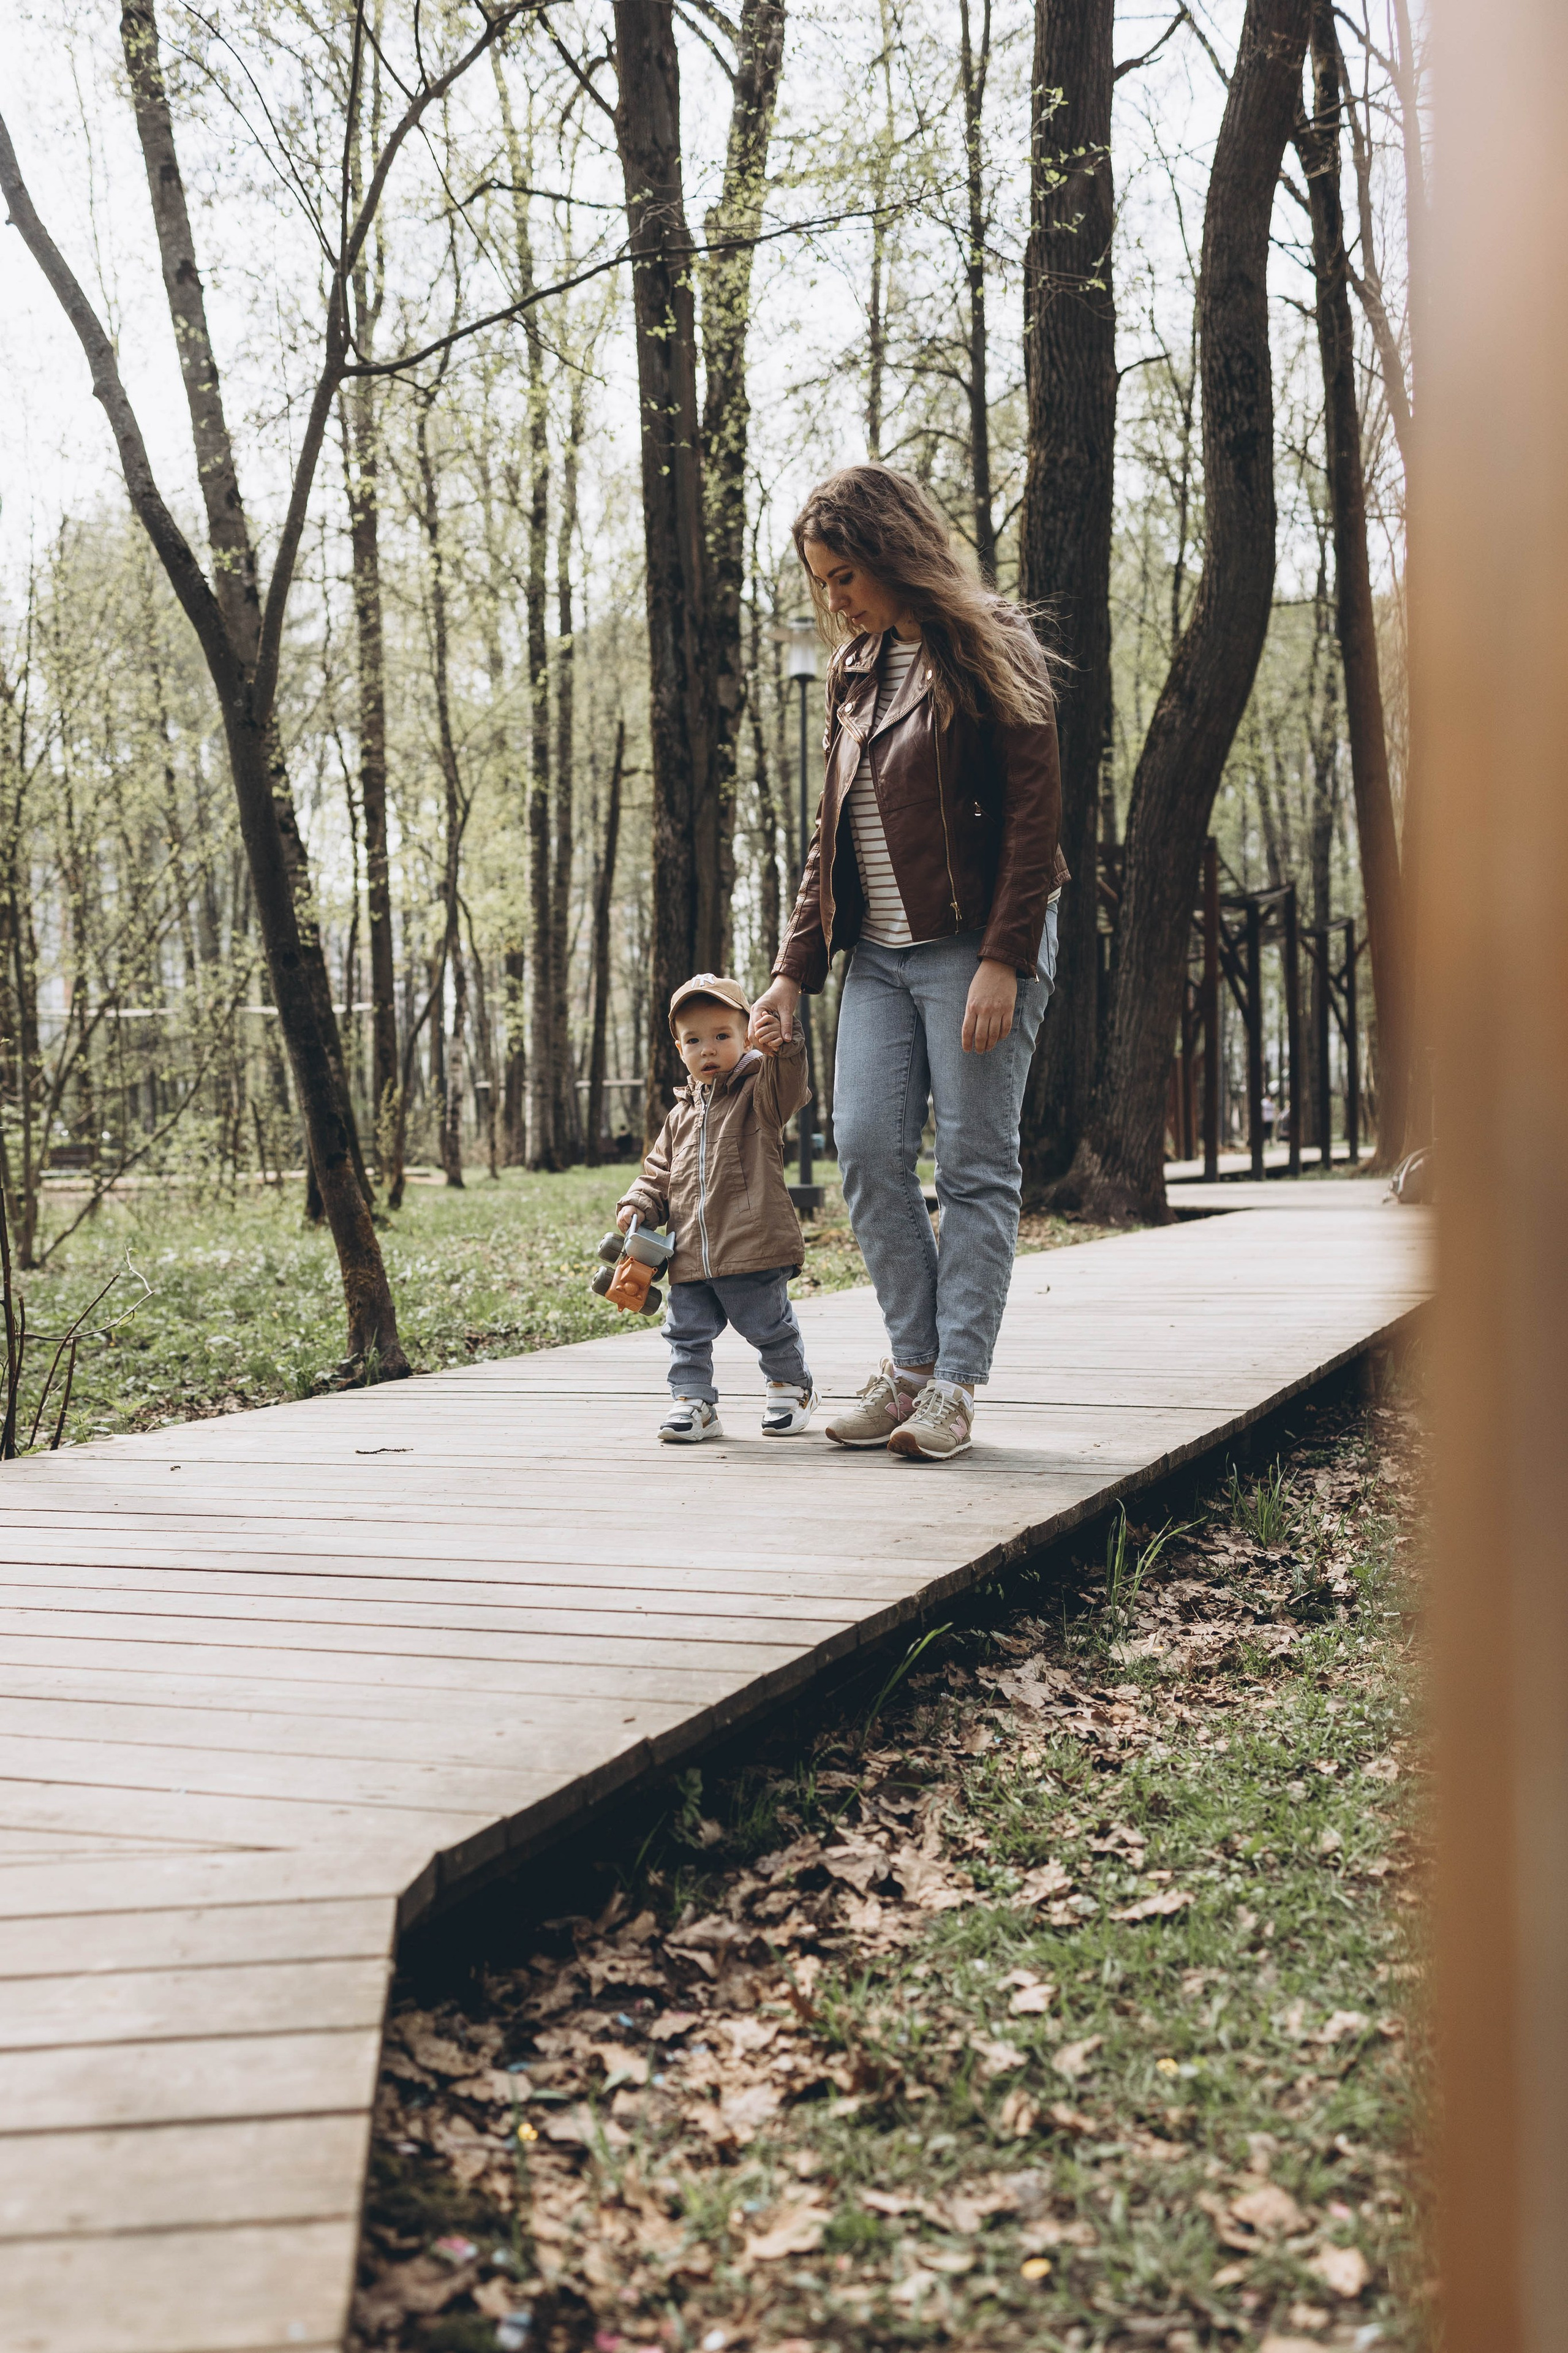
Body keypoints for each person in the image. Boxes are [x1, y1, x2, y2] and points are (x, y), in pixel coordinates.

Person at [750, 464, 1067, 1463]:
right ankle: (912, 1367)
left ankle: (954, 1385)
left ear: (891, 553)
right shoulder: (854, 671)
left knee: (974, 1166)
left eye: (845, 576)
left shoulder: (993, 642)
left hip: (980, 949)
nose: (834, 598)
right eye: (823, 580)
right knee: (868, 1149)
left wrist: (1006, 957)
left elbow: (1033, 816)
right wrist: (792, 970)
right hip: (878, 960)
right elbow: (827, 837)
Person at [617, 974, 820, 1445]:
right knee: (685, 1331)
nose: (708, 1049)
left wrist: (785, 1047)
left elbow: (790, 1084)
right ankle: (693, 1402)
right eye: (694, 1040)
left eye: (722, 1036)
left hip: (752, 1246)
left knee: (767, 1324)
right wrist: (638, 1204)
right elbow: (658, 1174)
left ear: (748, 1034)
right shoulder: (678, 1116)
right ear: (679, 1048)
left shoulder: (760, 1093)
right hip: (688, 1253)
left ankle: (791, 1387)